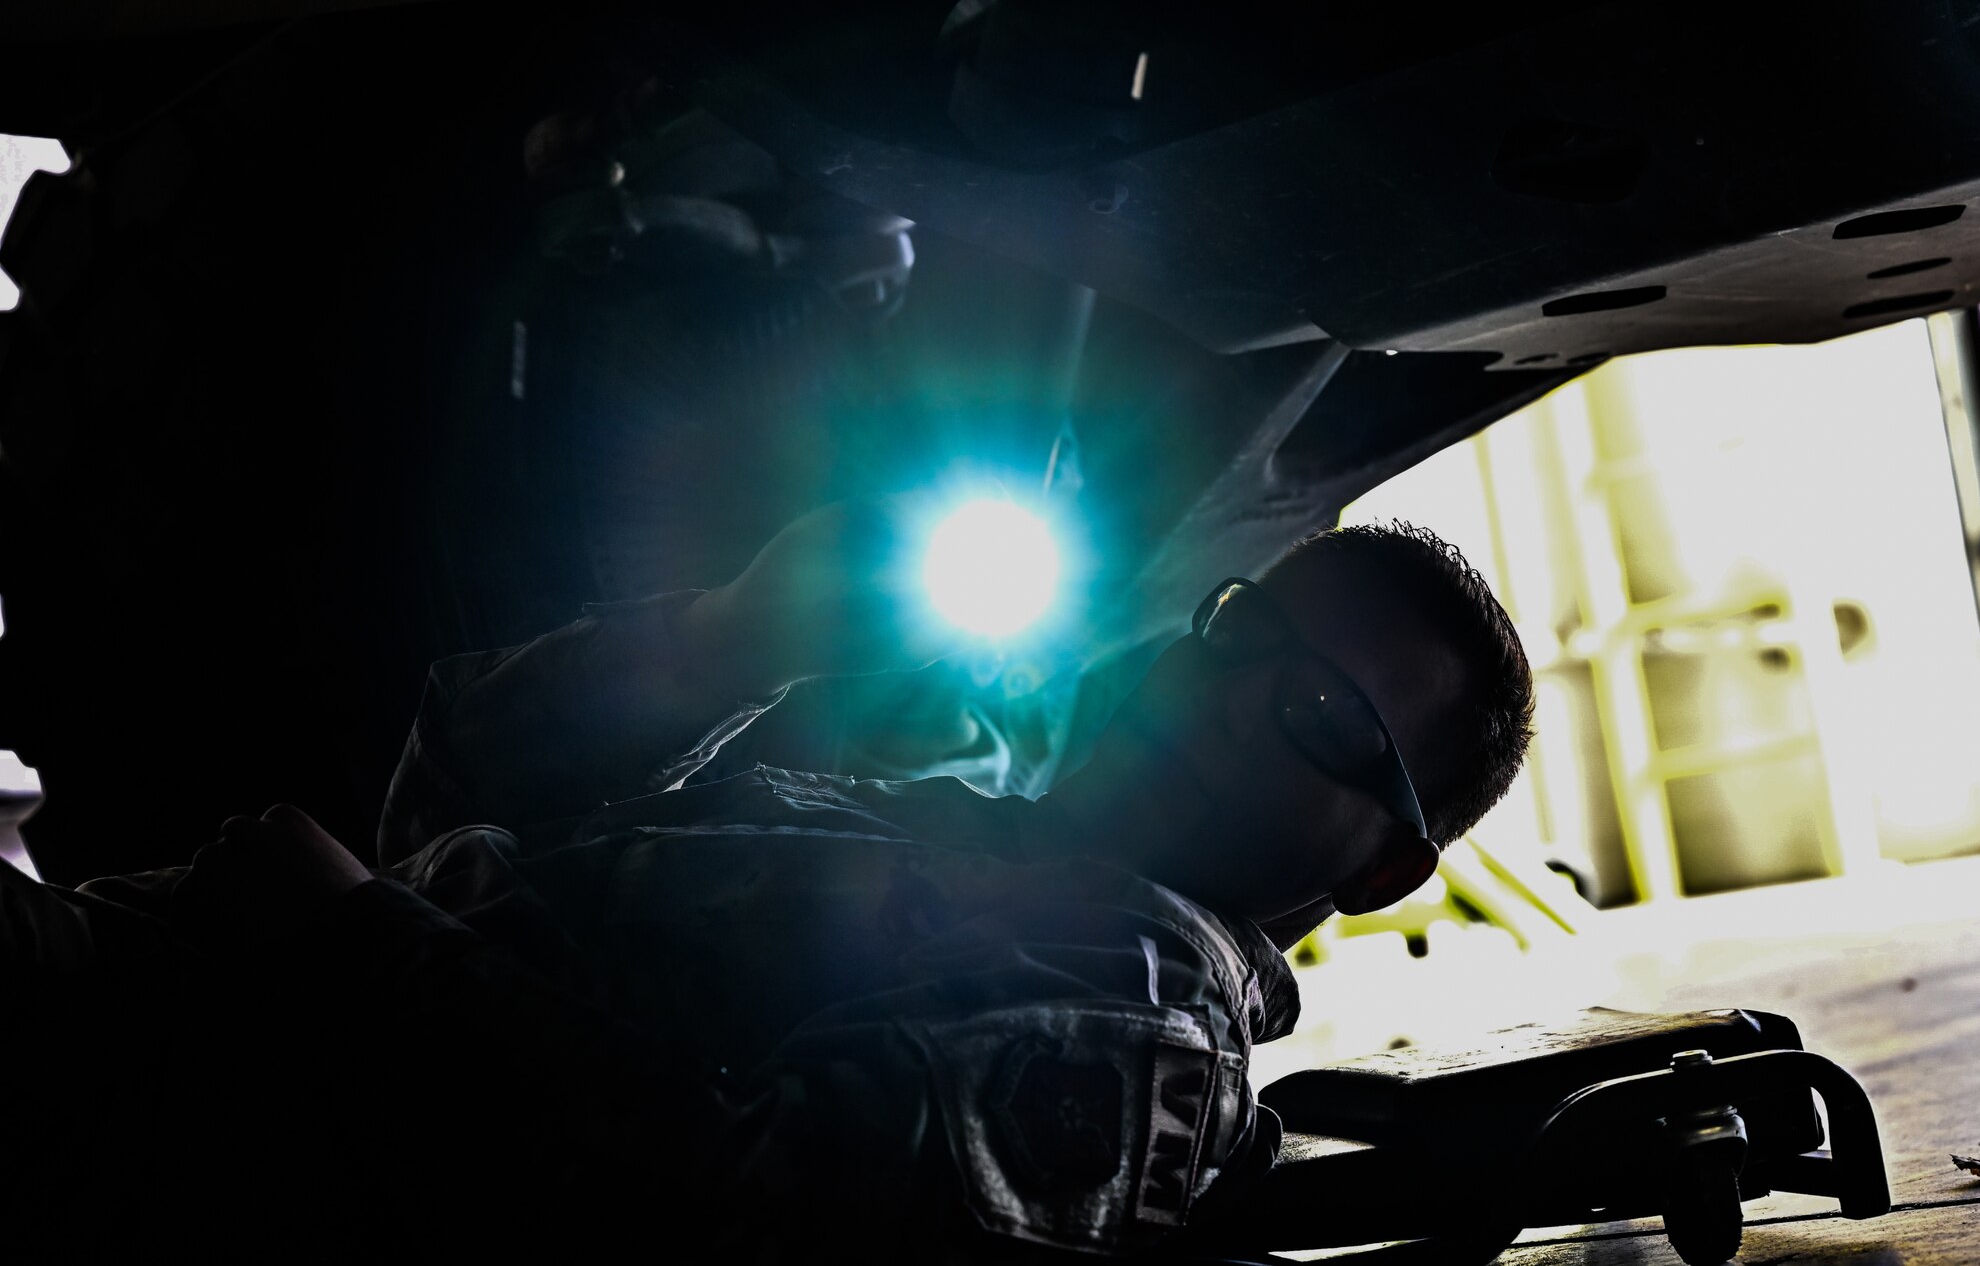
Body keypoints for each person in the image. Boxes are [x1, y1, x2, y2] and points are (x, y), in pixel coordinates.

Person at [2, 494, 1533, 1259]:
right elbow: (451, 788)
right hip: (150, 1006)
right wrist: (729, 639)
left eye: (1319, 715)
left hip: (187, 1109)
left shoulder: (1141, 1034)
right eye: (1242, 634)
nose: (1224, 697)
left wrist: (349, 946)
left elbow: (729, 1208)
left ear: (1386, 866)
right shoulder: (949, 827)